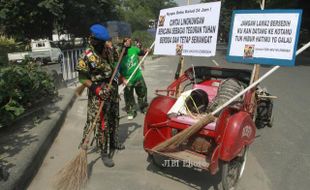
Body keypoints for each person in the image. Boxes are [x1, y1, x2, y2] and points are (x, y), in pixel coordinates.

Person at [75, 24, 124, 167]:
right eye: (101, 43)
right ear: (93, 40)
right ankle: (104, 152)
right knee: (101, 122)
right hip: (98, 92)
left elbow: (118, 56)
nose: (104, 46)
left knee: (114, 116)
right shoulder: (86, 56)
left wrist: (125, 47)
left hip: (112, 88)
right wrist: (97, 89)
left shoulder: (108, 50)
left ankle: (114, 141)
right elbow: (82, 79)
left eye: (105, 43)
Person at [120, 38, 148, 120]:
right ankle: (131, 111)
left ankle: (143, 107)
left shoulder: (134, 49)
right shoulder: (119, 53)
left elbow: (142, 52)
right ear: (123, 42)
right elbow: (116, 69)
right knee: (129, 96)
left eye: (129, 40)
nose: (128, 41)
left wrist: (146, 50)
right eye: (125, 40)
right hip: (127, 79)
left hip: (138, 76)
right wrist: (122, 79)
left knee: (142, 91)